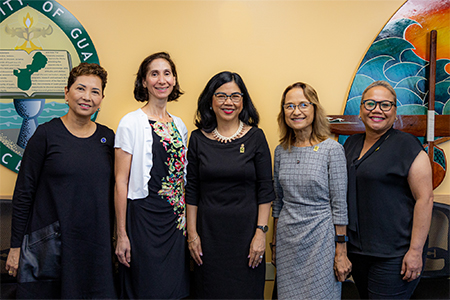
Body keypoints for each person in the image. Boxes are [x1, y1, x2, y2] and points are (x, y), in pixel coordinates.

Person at [5, 63, 116, 298]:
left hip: (96, 247)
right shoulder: (45, 135)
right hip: (51, 247)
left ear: (101, 98)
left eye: (95, 92)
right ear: (67, 93)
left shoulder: (108, 137)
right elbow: (24, 192)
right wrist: (16, 247)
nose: (87, 97)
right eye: (80, 89)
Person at [185, 71, 275, 299]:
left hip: (247, 237)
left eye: (235, 96)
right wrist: (192, 234)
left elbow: (265, 190)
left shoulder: (256, 137)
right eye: (221, 96)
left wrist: (260, 234)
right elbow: (192, 190)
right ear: (210, 101)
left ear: (243, 101)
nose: (228, 102)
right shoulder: (197, 138)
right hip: (208, 238)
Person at [344, 80, 434, 299]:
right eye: (370, 104)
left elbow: (425, 199)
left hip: (395, 255)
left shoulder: (408, 146)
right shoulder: (350, 144)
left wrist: (415, 251)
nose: (377, 110)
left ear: (394, 112)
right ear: (361, 110)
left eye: (385, 105)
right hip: (357, 252)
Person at [114, 52, 189, 299]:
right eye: (154, 74)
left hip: (175, 222)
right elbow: (120, 182)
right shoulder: (130, 122)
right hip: (143, 220)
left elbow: (182, 178)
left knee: (174, 289)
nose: (161, 80)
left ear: (174, 80)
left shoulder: (179, 125)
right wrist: (122, 234)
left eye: (167, 73)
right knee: (145, 288)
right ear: (144, 82)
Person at [271, 82, 352, 299]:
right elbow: (278, 202)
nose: (296, 111)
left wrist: (341, 251)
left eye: (303, 105)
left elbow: (339, 205)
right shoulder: (281, 151)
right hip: (288, 241)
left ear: (314, 109)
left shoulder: (332, 150)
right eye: (289, 106)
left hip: (322, 241)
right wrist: (275, 243)